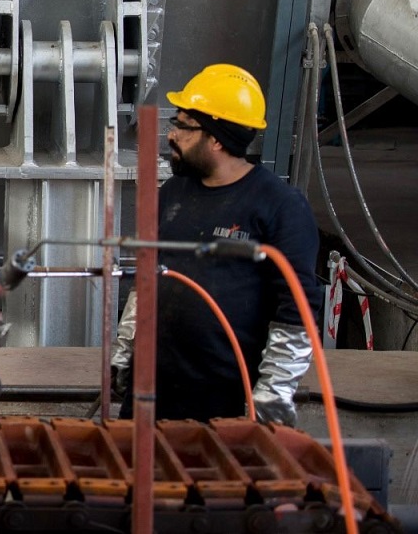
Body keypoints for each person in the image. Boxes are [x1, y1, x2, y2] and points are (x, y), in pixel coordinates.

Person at [112, 64, 320, 424]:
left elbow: (297, 310)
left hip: (224, 401)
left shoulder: (279, 206)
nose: (172, 136)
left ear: (218, 138)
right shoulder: (174, 192)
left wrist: (272, 394)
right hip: (151, 390)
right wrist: (125, 348)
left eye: (183, 126)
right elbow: (148, 276)